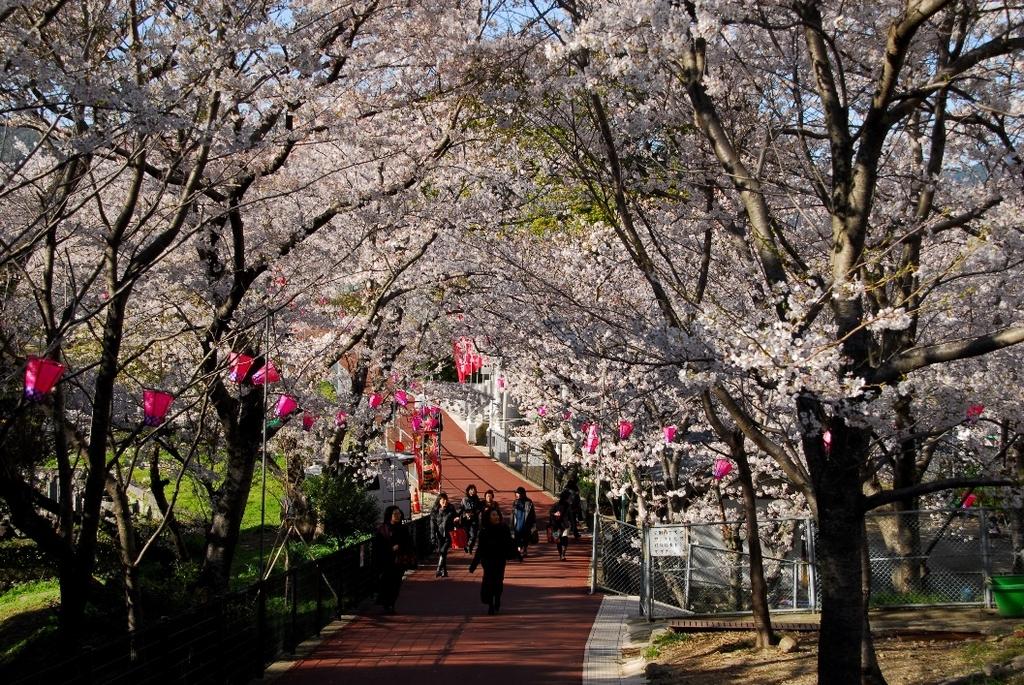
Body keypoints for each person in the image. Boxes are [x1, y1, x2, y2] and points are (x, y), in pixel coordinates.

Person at [469, 508, 520, 614]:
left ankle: (497, 598)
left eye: (497, 515)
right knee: (489, 581)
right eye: (493, 515)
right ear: (488, 517)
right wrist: (474, 564)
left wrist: (517, 554)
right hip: (487, 559)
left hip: (500, 558)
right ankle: (490, 604)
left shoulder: (503, 528)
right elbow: (480, 548)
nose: (496, 517)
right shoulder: (484, 530)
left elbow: (509, 542)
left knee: (498, 581)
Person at [373, 505, 414, 613]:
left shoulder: (403, 529)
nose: (398, 516)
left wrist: (402, 547)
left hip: (399, 561)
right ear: (390, 515)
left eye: (399, 514)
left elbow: (409, 543)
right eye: (395, 514)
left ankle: (391, 604)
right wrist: (390, 548)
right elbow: (378, 545)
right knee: (386, 582)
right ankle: (386, 602)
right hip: (386, 560)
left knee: (396, 583)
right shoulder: (383, 529)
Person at [429, 492, 458, 577]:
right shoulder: (435, 510)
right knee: (442, 553)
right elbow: (432, 525)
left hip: (449, 534)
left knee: (443, 551)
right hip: (439, 534)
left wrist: (456, 519)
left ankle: (438, 569)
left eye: (446, 499)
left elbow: (456, 517)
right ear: (439, 500)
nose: (445, 501)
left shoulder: (451, 508)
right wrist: (433, 537)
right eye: (443, 500)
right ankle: (444, 571)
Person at [511, 486, 536, 557]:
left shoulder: (529, 502)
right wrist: (511, 523)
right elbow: (512, 513)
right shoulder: (515, 502)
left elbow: (532, 513)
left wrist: (533, 524)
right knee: (517, 537)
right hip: (517, 522)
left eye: (518, 493)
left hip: (526, 523)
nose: (516, 495)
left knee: (526, 538)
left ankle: (525, 549)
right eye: (516, 493)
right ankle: (519, 549)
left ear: (522, 494)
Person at [549, 490, 573, 560]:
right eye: (570, 497)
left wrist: (573, 525)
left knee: (564, 538)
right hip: (555, 525)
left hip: (566, 525)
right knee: (558, 540)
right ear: (566, 498)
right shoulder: (556, 505)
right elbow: (550, 512)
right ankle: (561, 554)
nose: (571, 498)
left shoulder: (568, 506)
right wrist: (555, 514)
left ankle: (563, 554)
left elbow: (571, 516)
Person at [459, 484, 482, 553]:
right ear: (468, 491)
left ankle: (470, 546)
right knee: (467, 535)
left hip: (474, 520)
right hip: (465, 520)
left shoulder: (477, 499)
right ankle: (466, 545)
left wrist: (474, 513)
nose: (472, 492)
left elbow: (479, 508)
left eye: (474, 490)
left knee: (473, 535)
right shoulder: (464, 499)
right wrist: (464, 514)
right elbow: (461, 509)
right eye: (471, 490)